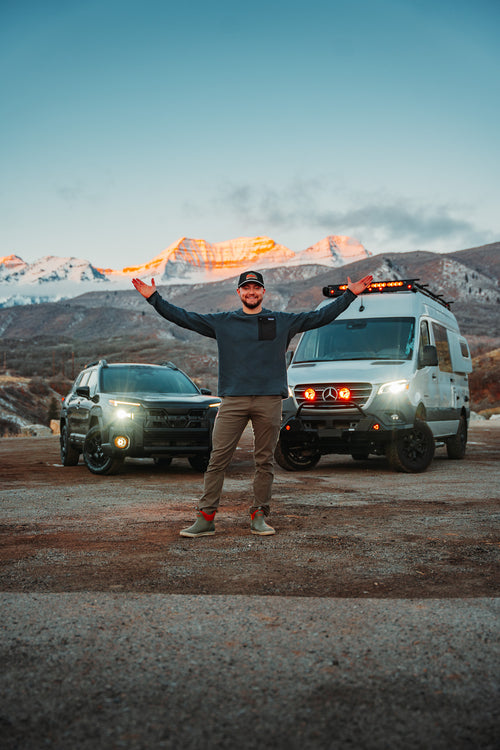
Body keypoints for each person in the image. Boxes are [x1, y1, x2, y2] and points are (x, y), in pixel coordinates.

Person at [132, 269, 373, 538]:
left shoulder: (282, 321)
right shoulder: (223, 322)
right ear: (239, 292)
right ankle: (206, 518)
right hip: (233, 401)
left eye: (256, 288)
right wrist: (154, 298)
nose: (251, 292)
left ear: (263, 292)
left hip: (269, 400)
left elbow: (319, 317)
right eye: (246, 288)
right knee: (217, 460)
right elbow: (184, 318)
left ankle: (259, 516)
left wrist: (349, 295)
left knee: (264, 461)